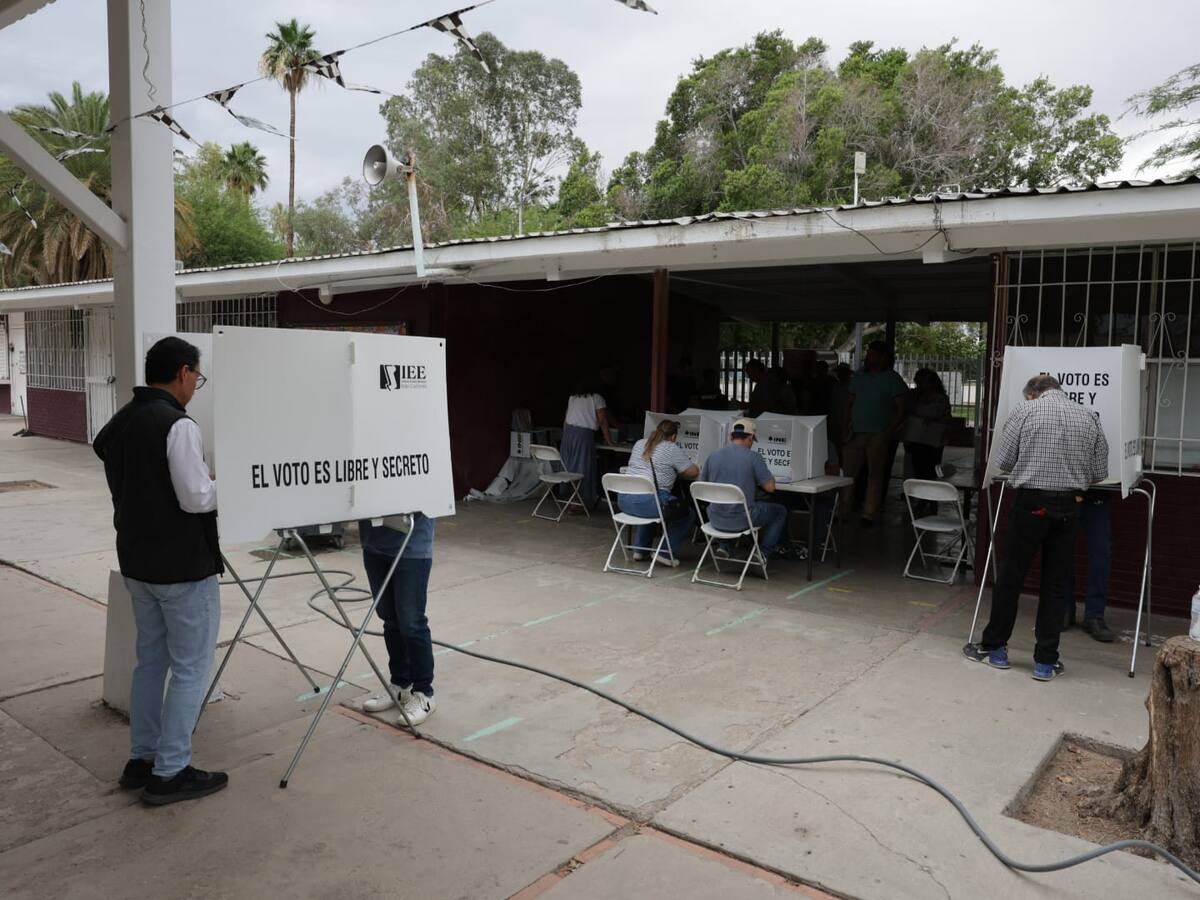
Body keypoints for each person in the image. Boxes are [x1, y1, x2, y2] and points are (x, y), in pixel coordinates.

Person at [93, 336, 226, 806]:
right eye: (197, 377)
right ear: (184, 373)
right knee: (191, 669)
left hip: (138, 562)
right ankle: (170, 772)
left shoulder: (124, 418)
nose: (196, 386)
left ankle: (142, 758)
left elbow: (102, 449)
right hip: (182, 568)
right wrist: (223, 484)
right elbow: (195, 498)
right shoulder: (177, 424)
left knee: (151, 662)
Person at [964, 374, 1109, 682]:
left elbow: (1003, 459)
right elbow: (1099, 472)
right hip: (1070, 505)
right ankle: (1045, 661)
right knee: (1056, 583)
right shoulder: (1088, 416)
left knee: (1011, 576)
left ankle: (995, 648)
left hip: (1031, 502)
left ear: (1033, 394)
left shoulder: (1025, 410)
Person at [358, 514, 438, 724]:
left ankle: (424, 694)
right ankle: (401, 685)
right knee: (389, 617)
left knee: (411, 622)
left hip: (412, 544)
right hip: (374, 543)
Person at [699, 418, 791, 560]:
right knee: (780, 511)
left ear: (730, 437)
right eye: (752, 440)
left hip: (715, 519)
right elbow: (770, 488)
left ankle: (724, 546)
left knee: (727, 505)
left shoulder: (713, 456)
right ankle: (763, 553)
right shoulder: (754, 457)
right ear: (750, 438)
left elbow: (702, 484)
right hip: (742, 520)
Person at [841, 342, 907, 526]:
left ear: (884, 358)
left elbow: (902, 408)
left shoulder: (892, 379)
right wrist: (844, 427)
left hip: (878, 434)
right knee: (848, 474)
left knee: (875, 475)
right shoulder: (859, 377)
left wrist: (889, 431)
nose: (869, 356)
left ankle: (869, 514)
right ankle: (844, 510)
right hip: (855, 432)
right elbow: (849, 404)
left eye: (873, 354)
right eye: (869, 353)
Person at [621, 419, 699, 566]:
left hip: (624, 500)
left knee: (652, 504)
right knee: (687, 514)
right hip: (647, 502)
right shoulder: (671, 448)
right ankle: (665, 553)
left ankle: (641, 549)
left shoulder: (639, 443)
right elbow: (693, 472)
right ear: (674, 437)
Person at [1063, 491, 1116, 642]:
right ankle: (1064, 609)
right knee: (1062, 551)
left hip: (1098, 495)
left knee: (1101, 554)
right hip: (1068, 493)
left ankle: (1095, 615)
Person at [561, 378, 614, 507]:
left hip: (568, 434)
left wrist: (565, 436)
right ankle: (578, 502)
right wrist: (609, 440)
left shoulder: (573, 398)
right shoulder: (596, 398)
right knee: (582, 467)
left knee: (568, 466)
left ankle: (568, 500)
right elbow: (602, 421)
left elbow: (565, 420)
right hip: (583, 435)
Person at [902, 368, 951, 480]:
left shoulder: (940, 398)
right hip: (916, 438)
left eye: (924, 381)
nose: (921, 385)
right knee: (914, 468)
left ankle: (926, 493)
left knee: (930, 469)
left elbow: (937, 413)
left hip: (932, 439)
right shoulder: (914, 395)